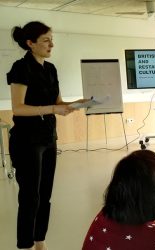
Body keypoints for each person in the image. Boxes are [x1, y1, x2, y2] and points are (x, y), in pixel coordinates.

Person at [6, 21, 86, 250]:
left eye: (52, 38)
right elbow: (18, 108)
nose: (51, 44)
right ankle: (25, 245)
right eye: (45, 40)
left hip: (48, 137)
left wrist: (76, 104)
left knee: (45, 195)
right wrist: (52, 109)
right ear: (30, 43)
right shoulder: (20, 68)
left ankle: (39, 240)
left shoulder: (50, 69)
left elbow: (58, 104)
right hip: (26, 141)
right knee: (30, 197)